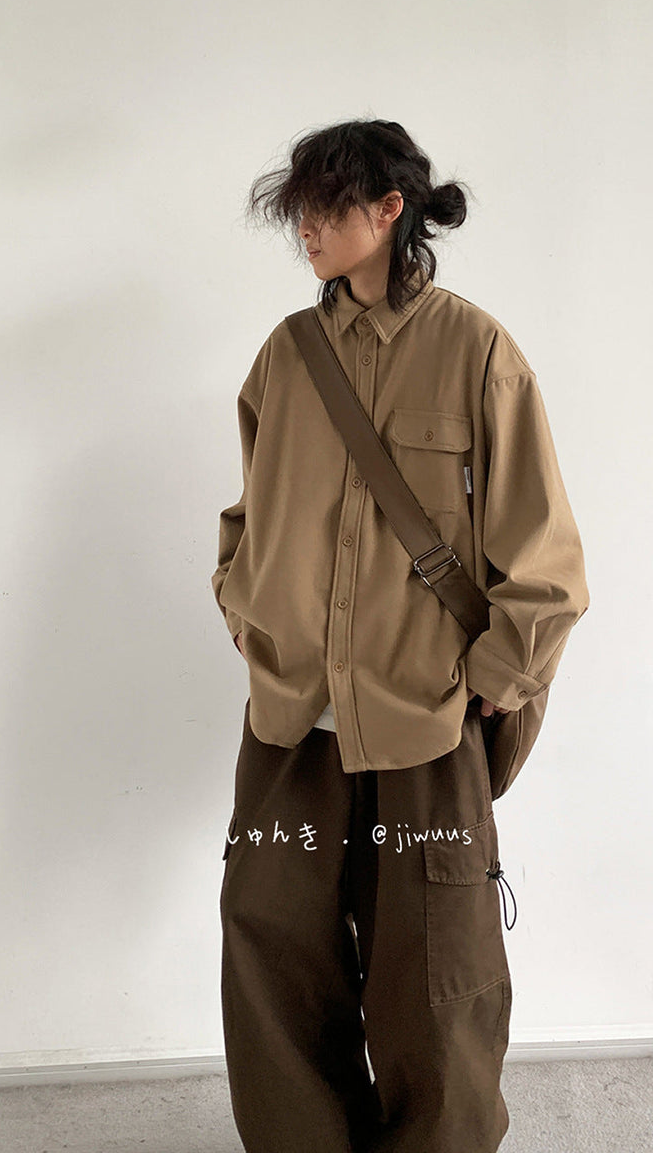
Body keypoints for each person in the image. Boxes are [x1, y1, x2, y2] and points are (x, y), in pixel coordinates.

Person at [211, 118, 589, 1153]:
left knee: (436, 969)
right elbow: (247, 515)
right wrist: (244, 607)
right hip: (294, 721)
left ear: (390, 211)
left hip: (425, 716)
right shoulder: (286, 357)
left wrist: (499, 674)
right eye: (295, 214)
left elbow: (545, 553)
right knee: (271, 948)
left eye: (323, 210)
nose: (304, 232)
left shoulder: (477, 351)